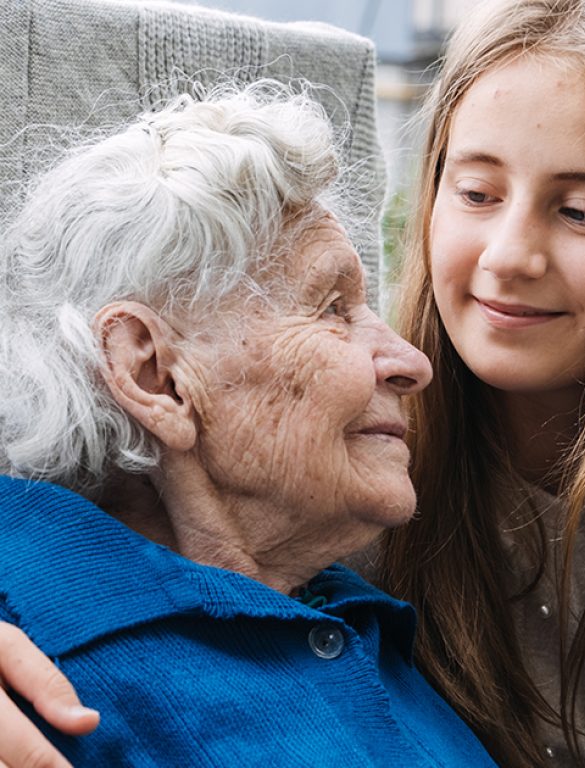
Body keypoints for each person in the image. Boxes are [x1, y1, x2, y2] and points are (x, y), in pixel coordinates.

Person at [1, 0, 585, 766]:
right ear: (155, 372)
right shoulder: (342, 486)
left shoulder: (342, 509)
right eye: (476, 193)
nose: (507, 257)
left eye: (582, 211)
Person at [0, 83, 502, 767]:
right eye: (331, 308)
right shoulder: (34, 644)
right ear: (155, 374)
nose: (412, 363)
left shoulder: (372, 612)